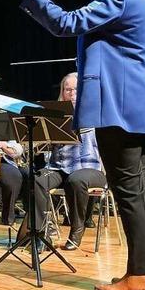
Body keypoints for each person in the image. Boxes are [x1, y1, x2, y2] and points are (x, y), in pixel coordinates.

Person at [13, 0, 145, 290]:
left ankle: (141, 276)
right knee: (143, 192)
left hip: (120, 109)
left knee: (130, 193)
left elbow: (65, 23)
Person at [17, 73, 107, 251]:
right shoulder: (55, 115)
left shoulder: (96, 111)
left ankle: (77, 228)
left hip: (89, 168)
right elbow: (45, 146)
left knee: (76, 180)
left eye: (75, 89)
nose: (72, 93)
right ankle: (41, 232)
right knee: (37, 179)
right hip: (59, 167)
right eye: (68, 90)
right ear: (62, 92)